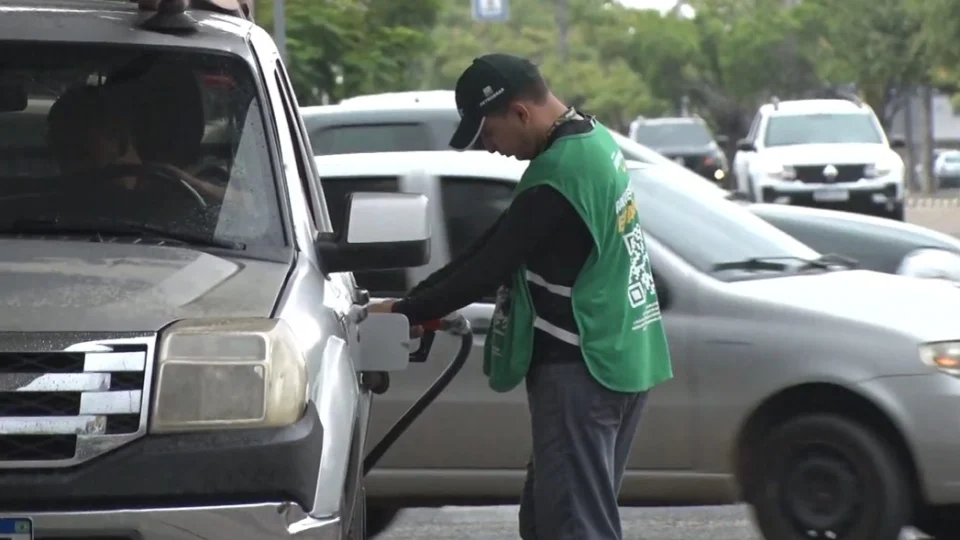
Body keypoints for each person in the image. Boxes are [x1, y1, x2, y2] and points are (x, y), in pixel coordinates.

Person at [368, 53, 673, 540]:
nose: (490, 149)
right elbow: (497, 244)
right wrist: (412, 307)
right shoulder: (591, 140)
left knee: (573, 526)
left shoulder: (560, 171)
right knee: (547, 520)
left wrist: (404, 312)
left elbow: (489, 266)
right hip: (622, 355)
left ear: (520, 114)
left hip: (582, 368)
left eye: (488, 134)